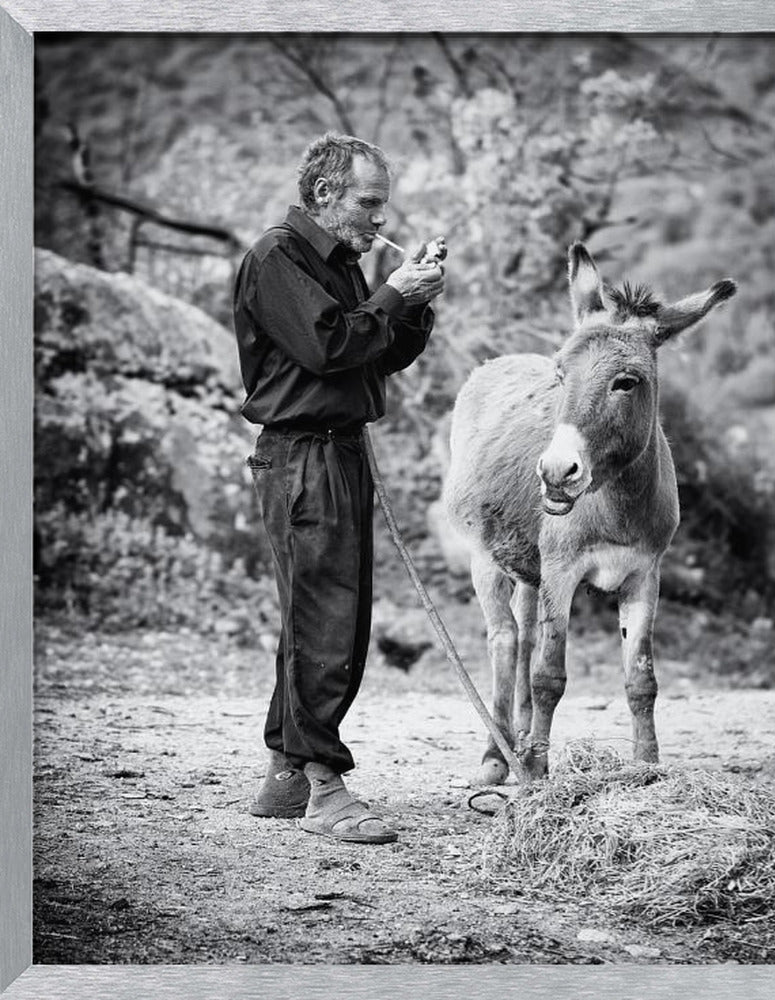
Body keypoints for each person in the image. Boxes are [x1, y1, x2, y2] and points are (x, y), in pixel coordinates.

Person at [232, 133, 446, 845]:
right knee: (325, 619)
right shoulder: (277, 259)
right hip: (301, 457)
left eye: (382, 204)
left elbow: (378, 353)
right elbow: (329, 346)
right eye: (369, 202)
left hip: (337, 454)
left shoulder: (343, 264)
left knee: (324, 618)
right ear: (325, 194)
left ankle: (287, 779)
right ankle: (327, 790)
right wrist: (391, 293)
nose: (380, 220)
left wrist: (413, 302)